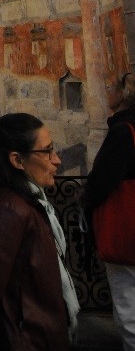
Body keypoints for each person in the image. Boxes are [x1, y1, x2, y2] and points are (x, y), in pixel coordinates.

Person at [0, 113, 80, 351]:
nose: (57, 160)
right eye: (46, 152)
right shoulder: (9, 211)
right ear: (17, 160)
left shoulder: (29, 202)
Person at [82, 71, 135, 351]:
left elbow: (102, 181)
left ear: (124, 95)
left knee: (129, 310)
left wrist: (86, 201)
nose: (107, 91)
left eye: (111, 86)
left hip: (125, 231)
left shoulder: (123, 131)